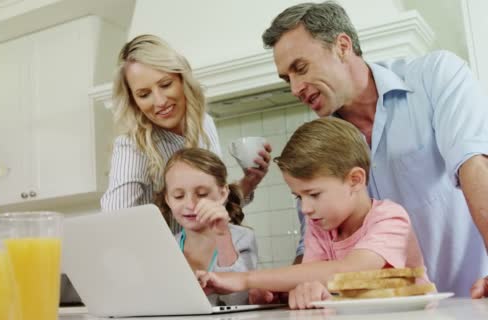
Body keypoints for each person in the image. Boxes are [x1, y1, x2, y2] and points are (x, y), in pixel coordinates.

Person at [260, 1, 488, 298]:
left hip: (472, 298)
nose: (294, 88)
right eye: (286, 78)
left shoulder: (436, 76)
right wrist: (285, 289)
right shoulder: (320, 143)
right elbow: (313, 244)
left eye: (300, 68)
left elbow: (475, 167)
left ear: (342, 45)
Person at [197, 117, 430, 309]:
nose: (305, 209)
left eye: (314, 194)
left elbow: (347, 271)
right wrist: (288, 291)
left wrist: (244, 279)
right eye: (299, 197)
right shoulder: (319, 227)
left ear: (355, 180)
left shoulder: (390, 218)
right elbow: (310, 275)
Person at [100, 34, 272, 232]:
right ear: (133, 101)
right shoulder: (132, 146)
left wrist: (249, 182)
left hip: (209, 257)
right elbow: (112, 224)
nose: (160, 101)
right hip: (163, 261)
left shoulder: (204, 124)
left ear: (182, 79)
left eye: (165, 84)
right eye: (144, 94)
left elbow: (211, 208)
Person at [155, 147, 258, 305]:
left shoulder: (242, 238)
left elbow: (237, 300)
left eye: (202, 194)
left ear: (223, 194)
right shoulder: (167, 248)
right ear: (168, 199)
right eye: (178, 196)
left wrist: (223, 236)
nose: (190, 204)